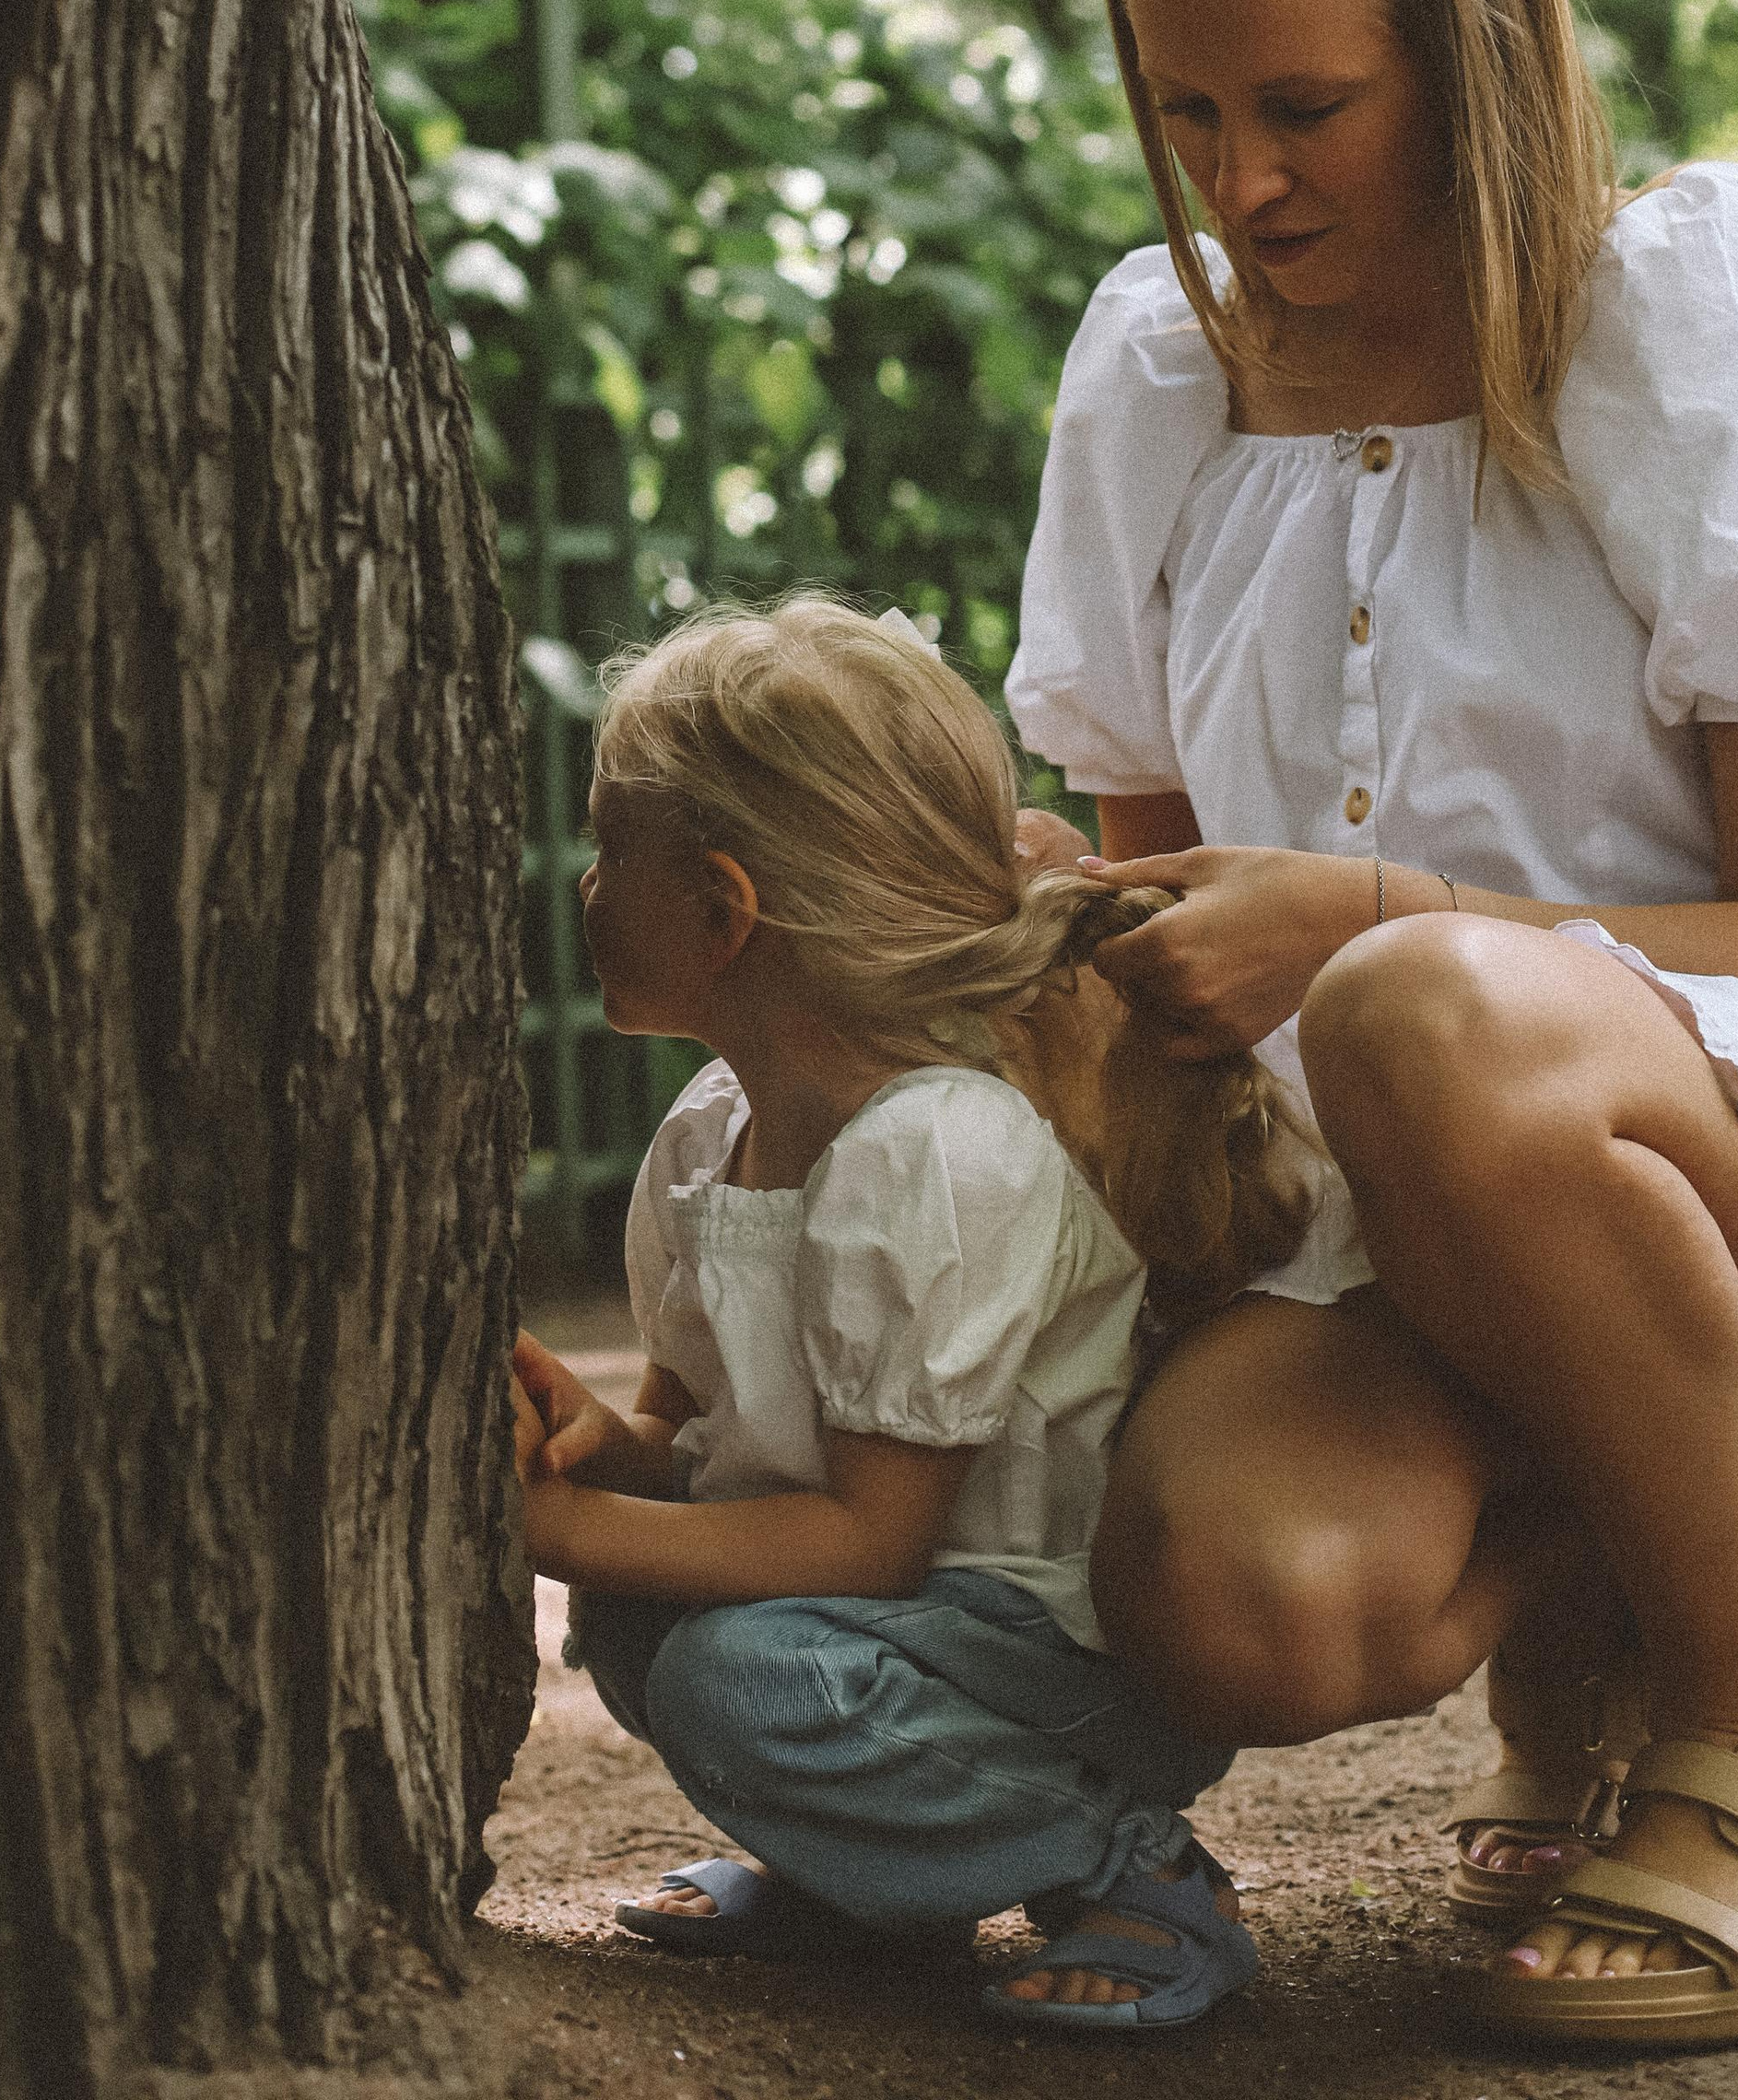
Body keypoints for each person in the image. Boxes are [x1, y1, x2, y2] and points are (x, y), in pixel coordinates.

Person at [1004, 0, 1738, 2046]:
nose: (1240, 179)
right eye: (1188, 113)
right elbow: (1183, 955)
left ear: (1465, 51)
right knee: (1247, 1602)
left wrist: (1356, 924)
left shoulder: (1689, 311)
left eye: (1302, 109)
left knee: (1418, 1005)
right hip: (1363, 1201)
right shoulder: (1157, 374)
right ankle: (1597, 1598)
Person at [510, 593, 1302, 2035]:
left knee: (740, 1680)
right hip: (890, 1619)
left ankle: (1134, 1862)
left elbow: (869, 1542)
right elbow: (699, 1454)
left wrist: (549, 1534)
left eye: (609, 848)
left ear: (723, 907)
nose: (581, 884)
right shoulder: (711, 1133)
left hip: (1046, 1655)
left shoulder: (936, 1152)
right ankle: (883, 1876)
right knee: (648, 1614)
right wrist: (596, 1450)